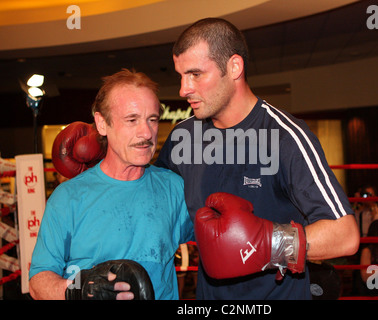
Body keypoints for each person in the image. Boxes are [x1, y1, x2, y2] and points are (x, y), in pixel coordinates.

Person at [154, 17, 359, 300]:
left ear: (234, 67)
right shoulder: (183, 137)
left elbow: (345, 235)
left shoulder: (284, 136)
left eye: (196, 74)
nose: (183, 89)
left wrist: (268, 244)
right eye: (181, 76)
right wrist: (105, 163)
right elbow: (150, 199)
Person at [29, 69, 194, 300]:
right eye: (132, 120)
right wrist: (79, 288)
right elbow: (38, 283)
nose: (146, 132)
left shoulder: (174, 188)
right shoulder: (68, 197)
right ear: (102, 124)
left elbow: (219, 242)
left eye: (152, 119)